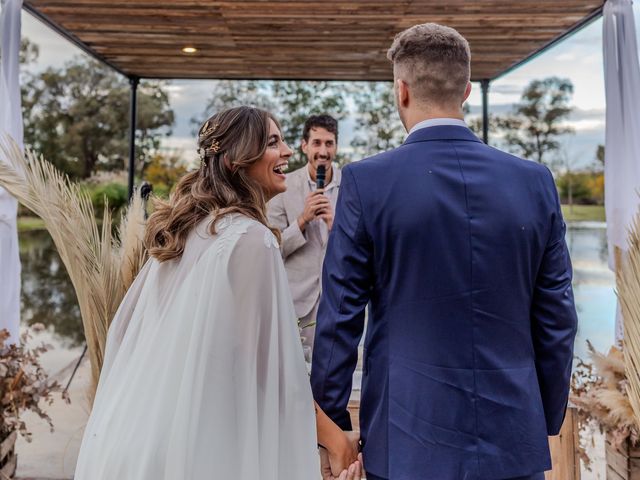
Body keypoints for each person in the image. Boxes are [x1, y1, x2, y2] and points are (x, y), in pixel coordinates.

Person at [311, 23, 578, 480]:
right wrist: (542, 419)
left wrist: (333, 431)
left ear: (401, 91)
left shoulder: (366, 183)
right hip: (513, 443)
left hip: (405, 444)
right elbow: (557, 319)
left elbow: (339, 321)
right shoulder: (535, 183)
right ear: (467, 90)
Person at [74, 107, 361, 480]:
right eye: (273, 142)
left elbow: (132, 330)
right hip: (206, 444)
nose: (288, 151)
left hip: (150, 432)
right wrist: (334, 439)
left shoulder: (193, 228)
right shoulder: (249, 237)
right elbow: (261, 367)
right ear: (236, 159)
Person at [267, 115, 341, 354]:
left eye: (329, 143)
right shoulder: (282, 186)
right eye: (317, 143)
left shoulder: (352, 184)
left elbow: (364, 246)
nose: (323, 150)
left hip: (337, 301)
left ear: (336, 146)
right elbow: (272, 248)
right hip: (295, 302)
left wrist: (335, 226)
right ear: (304, 146)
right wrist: (302, 220)